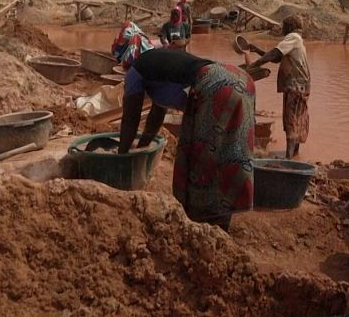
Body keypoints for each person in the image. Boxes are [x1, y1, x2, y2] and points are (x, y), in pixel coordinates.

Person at [117, 42, 256, 230]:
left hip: (213, 85)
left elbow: (130, 119)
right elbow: (155, 118)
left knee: (198, 158)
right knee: (231, 152)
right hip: (240, 79)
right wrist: (142, 146)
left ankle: (200, 222)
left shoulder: (134, 72)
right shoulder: (159, 67)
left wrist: (121, 157)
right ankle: (222, 221)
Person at [246, 15, 311, 159]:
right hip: (301, 85)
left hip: (295, 85)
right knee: (298, 118)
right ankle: (294, 155)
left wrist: (253, 66)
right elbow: (276, 58)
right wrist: (257, 50)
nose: (281, 29)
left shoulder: (293, 37)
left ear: (289, 27)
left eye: (283, 26)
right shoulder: (297, 40)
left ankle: (289, 159)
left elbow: (274, 53)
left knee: (291, 120)